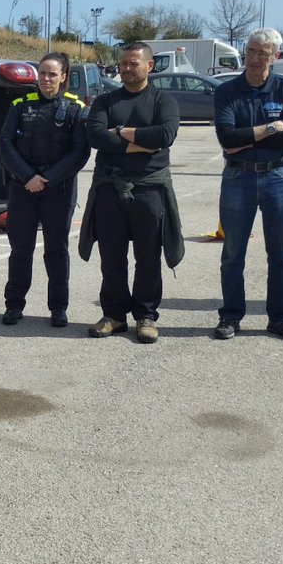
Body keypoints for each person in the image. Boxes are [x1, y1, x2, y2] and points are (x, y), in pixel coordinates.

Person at [78, 41, 183, 344]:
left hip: (150, 188)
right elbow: (96, 136)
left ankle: (146, 315)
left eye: (133, 63)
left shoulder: (163, 100)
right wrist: (142, 143)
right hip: (110, 189)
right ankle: (114, 315)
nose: (125, 68)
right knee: (111, 256)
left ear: (149, 66)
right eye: (122, 63)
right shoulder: (105, 101)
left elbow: (165, 135)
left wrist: (121, 132)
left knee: (148, 256)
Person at [211, 27, 283, 342]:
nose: (254, 58)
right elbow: (226, 138)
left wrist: (247, 137)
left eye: (262, 53)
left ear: (275, 57)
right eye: (251, 51)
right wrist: (269, 128)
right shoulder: (227, 91)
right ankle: (231, 316)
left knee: (281, 255)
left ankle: (280, 318)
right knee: (232, 254)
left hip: (279, 176)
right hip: (238, 177)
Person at [0, 52, 90, 327]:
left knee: (56, 250)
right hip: (23, 186)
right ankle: (14, 305)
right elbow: (4, 143)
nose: (46, 79)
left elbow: (80, 152)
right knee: (20, 249)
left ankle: (58, 308)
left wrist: (46, 178)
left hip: (58, 189)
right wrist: (28, 176)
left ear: (63, 77)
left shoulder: (75, 109)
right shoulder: (20, 105)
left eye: (52, 74)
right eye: (42, 73)